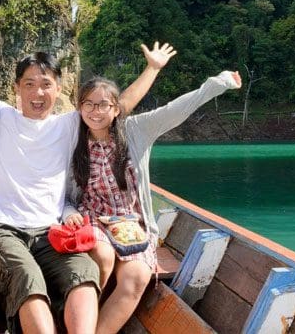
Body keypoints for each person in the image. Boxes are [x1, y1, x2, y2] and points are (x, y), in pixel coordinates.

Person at [0, 39, 174, 333]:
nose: (38, 92)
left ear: (58, 89)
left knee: (84, 274)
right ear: (17, 88)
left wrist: (152, 68)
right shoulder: (2, 117)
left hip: (51, 231)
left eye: (46, 84)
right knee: (27, 278)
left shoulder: (69, 124)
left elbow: (118, 106)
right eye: (29, 84)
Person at [63, 64, 242, 334]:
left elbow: (175, 110)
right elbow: (62, 194)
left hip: (132, 223)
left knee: (137, 277)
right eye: (88, 104)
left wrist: (218, 83)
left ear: (116, 109)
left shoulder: (136, 131)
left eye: (103, 105)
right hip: (92, 219)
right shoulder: (71, 140)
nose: (95, 112)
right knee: (101, 257)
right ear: (79, 107)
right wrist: (67, 213)